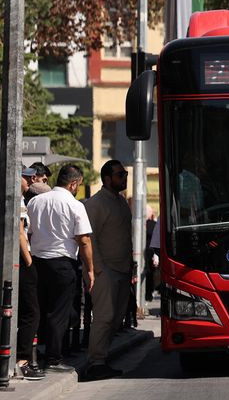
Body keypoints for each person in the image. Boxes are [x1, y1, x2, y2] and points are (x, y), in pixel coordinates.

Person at [27, 165, 94, 371]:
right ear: (73, 183)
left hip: (36, 262)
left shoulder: (35, 201)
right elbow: (84, 240)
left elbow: (28, 233)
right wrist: (90, 269)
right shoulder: (75, 205)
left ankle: (32, 354)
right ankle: (54, 359)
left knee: (38, 310)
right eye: (78, 185)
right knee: (59, 313)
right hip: (62, 264)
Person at [81, 160, 133, 380]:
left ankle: (101, 358)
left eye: (125, 174)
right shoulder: (95, 203)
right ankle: (96, 363)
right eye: (120, 175)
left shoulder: (121, 202)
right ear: (107, 178)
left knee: (117, 317)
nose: (124, 178)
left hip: (122, 270)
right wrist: (97, 268)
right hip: (105, 270)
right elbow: (88, 238)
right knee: (104, 316)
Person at [17, 167, 46, 381]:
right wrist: (29, 262)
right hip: (22, 262)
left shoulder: (21, 200)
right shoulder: (17, 201)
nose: (31, 181)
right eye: (27, 177)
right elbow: (20, 234)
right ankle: (22, 360)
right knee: (31, 312)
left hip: (20, 261)